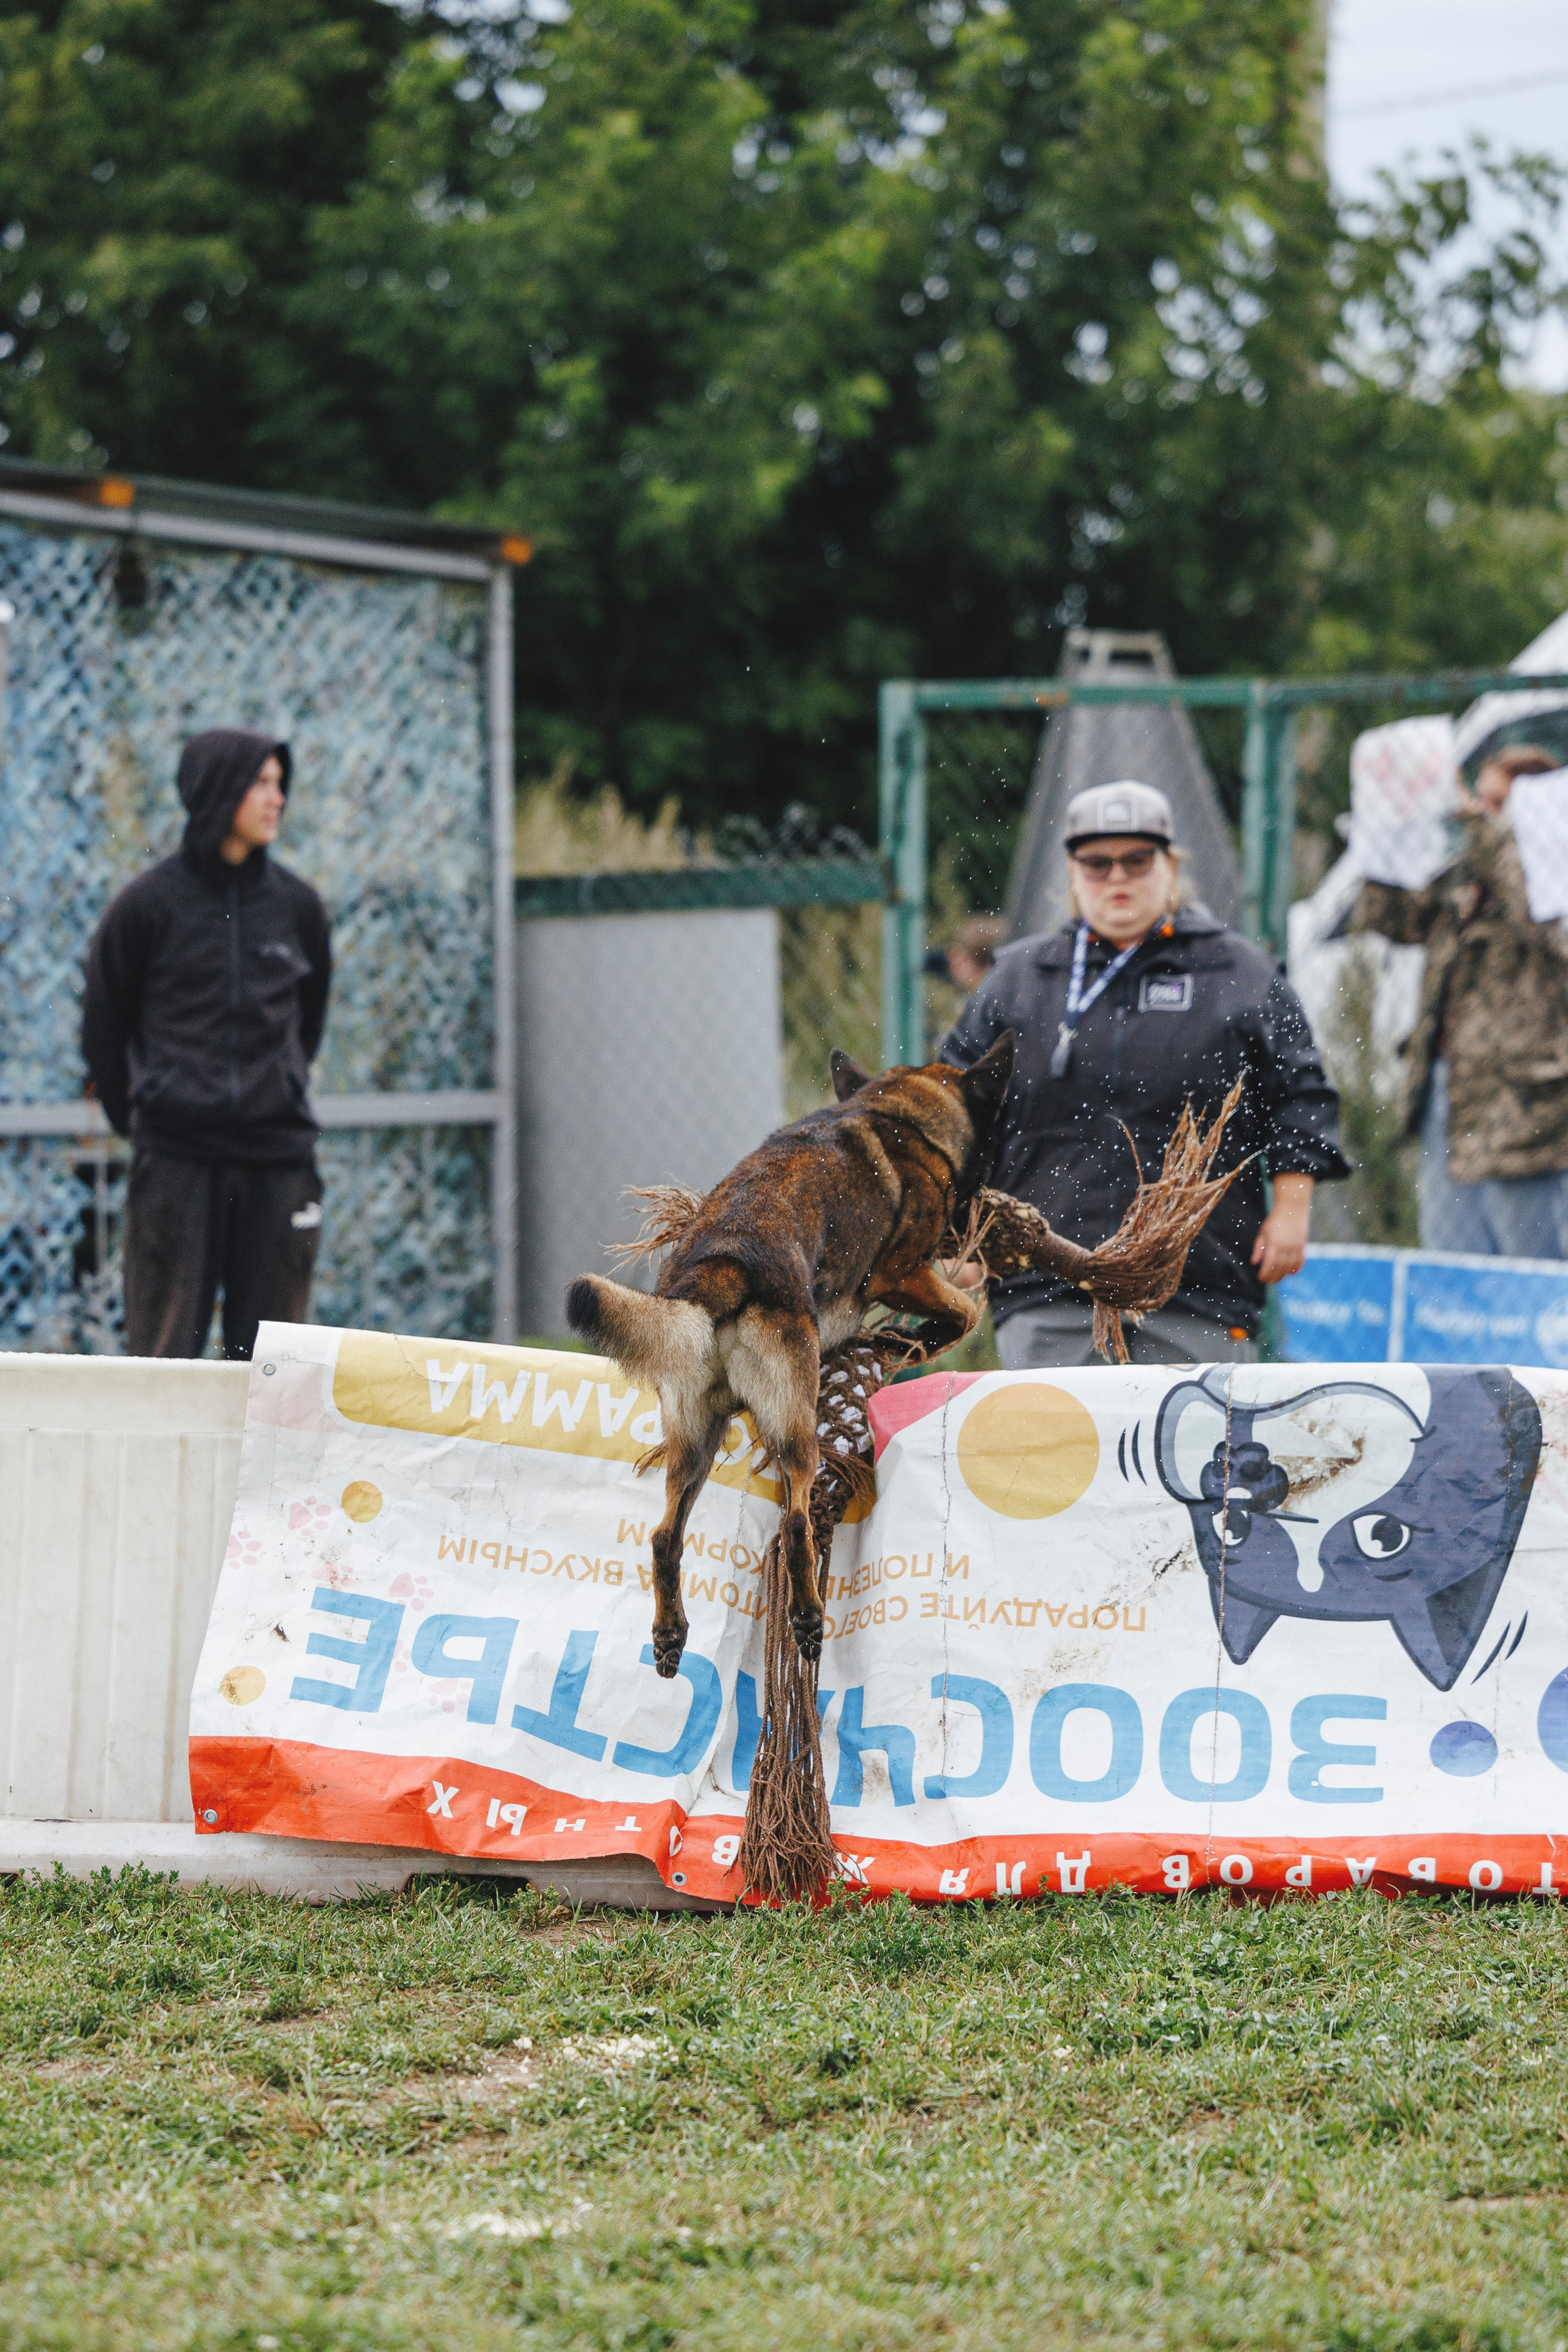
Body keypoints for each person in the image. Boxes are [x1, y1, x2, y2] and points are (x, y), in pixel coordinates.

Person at [941, 780, 1349, 1367]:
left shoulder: (1237, 971)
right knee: (1058, 1456)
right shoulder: (1019, 980)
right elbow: (953, 1108)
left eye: (1138, 860)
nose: (1118, 878)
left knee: (1194, 1456)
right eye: (1097, 863)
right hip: (1046, 1285)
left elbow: (1300, 1095)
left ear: (1171, 865)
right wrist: (961, 1227)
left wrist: (1292, 1209)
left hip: (1197, 1286)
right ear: (1073, 873)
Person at [82, 726, 333, 1359]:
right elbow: (104, 1030)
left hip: (278, 1165)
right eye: (262, 783)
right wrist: (153, 1119)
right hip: (177, 1164)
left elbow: (307, 1027)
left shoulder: (299, 909)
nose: (278, 799)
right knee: (164, 1363)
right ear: (220, 791)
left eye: (282, 784)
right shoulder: (145, 908)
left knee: (274, 1371)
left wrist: (270, 1094)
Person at [1352, 742, 1568, 1258]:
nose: (1480, 817)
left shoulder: (1552, 886)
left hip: (1525, 1110)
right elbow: (1392, 917)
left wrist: (1492, 836)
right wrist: (1386, 837)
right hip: (1450, 1096)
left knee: (1529, 1276)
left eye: (1500, 806)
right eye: (1481, 802)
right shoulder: (1467, 880)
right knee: (1452, 1272)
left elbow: (1545, 927)